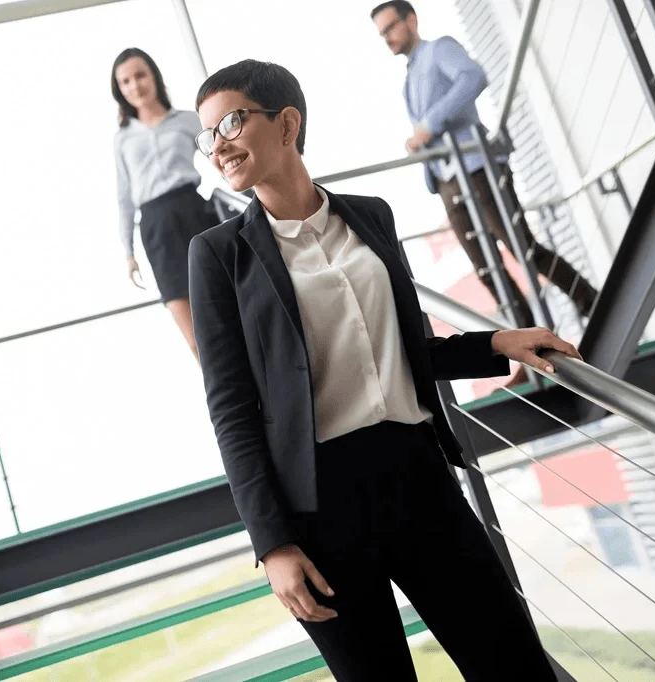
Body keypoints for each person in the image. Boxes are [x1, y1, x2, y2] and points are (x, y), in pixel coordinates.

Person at [189, 59, 570, 681]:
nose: (218, 145)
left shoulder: (371, 216)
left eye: (229, 121)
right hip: (320, 508)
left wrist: (496, 342)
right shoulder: (217, 255)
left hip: (418, 475)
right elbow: (231, 408)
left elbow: (407, 348)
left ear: (288, 123)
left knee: (513, 665)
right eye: (207, 135)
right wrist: (273, 544)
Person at [371, 1, 599, 331]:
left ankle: (592, 302)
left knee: (522, 247)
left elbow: (474, 76)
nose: (387, 37)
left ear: (412, 20)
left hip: (477, 169)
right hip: (447, 181)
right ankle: (530, 341)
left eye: (390, 27)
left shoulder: (439, 49)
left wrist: (429, 124)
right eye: (382, 33)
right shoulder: (409, 80)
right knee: (485, 269)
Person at [112, 47, 218, 359]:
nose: (135, 85)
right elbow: (124, 198)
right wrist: (128, 252)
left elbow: (222, 158)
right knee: (194, 338)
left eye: (140, 75)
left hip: (195, 213)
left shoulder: (187, 121)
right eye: (125, 81)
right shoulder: (122, 138)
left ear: (154, 76)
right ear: (119, 90)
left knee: (223, 311)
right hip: (155, 228)